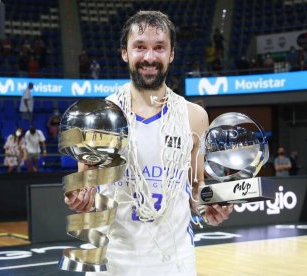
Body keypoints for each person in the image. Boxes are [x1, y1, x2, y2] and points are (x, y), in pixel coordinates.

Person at [64, 11, 233, 276]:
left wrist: (209, 205)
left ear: (172, 54)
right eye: (140, 47)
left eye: (159, 48)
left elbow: (196, 187)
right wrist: (80, 198)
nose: (150, 57)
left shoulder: (195, 117)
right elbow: (85, 186)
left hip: (175, 262)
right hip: (113, 261)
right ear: (125, 53)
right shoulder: (98, 117)